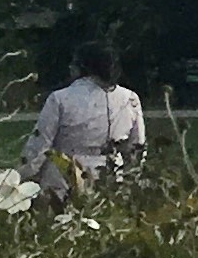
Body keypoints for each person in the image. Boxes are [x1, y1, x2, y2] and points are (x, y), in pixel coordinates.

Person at [22, 41, 146, 206]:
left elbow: (39, 145)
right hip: (111, 178)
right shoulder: (129, 98)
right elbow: (136, 148)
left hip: (63, 177)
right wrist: (131, 180)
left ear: (82, 67)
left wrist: (22, 177)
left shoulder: (60, 98)